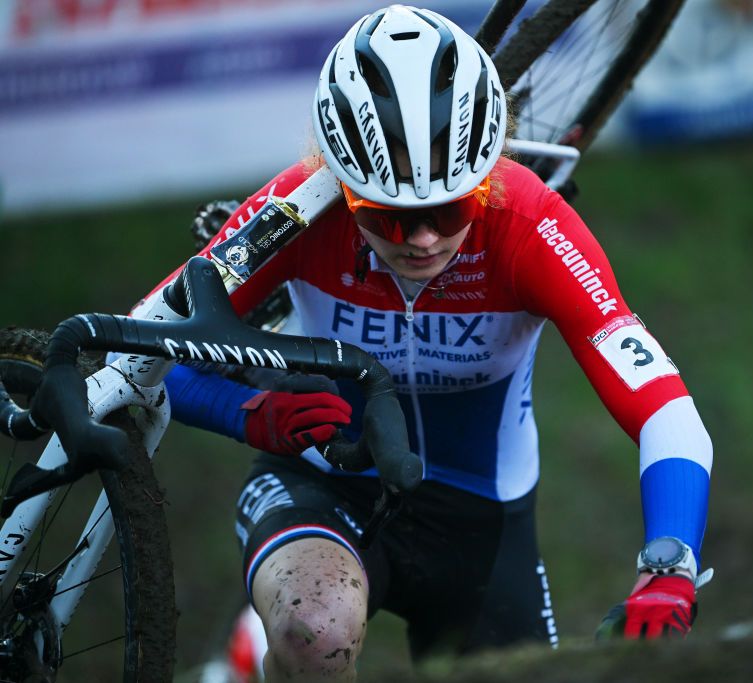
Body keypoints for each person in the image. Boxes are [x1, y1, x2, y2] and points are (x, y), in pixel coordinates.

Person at [140, 5, 713, 680]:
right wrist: (247, 415)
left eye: (450, 209)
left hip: (484, 522)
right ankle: (264, 647)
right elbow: (140, 349)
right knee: (311, 631)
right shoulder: (297, 208)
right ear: (341, 184)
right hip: (325, 487)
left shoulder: (527, 221)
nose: (424, 240)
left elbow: (665, 407)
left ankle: (245, 653)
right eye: (389, 216)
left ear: (486, 178)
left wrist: (669, 564)